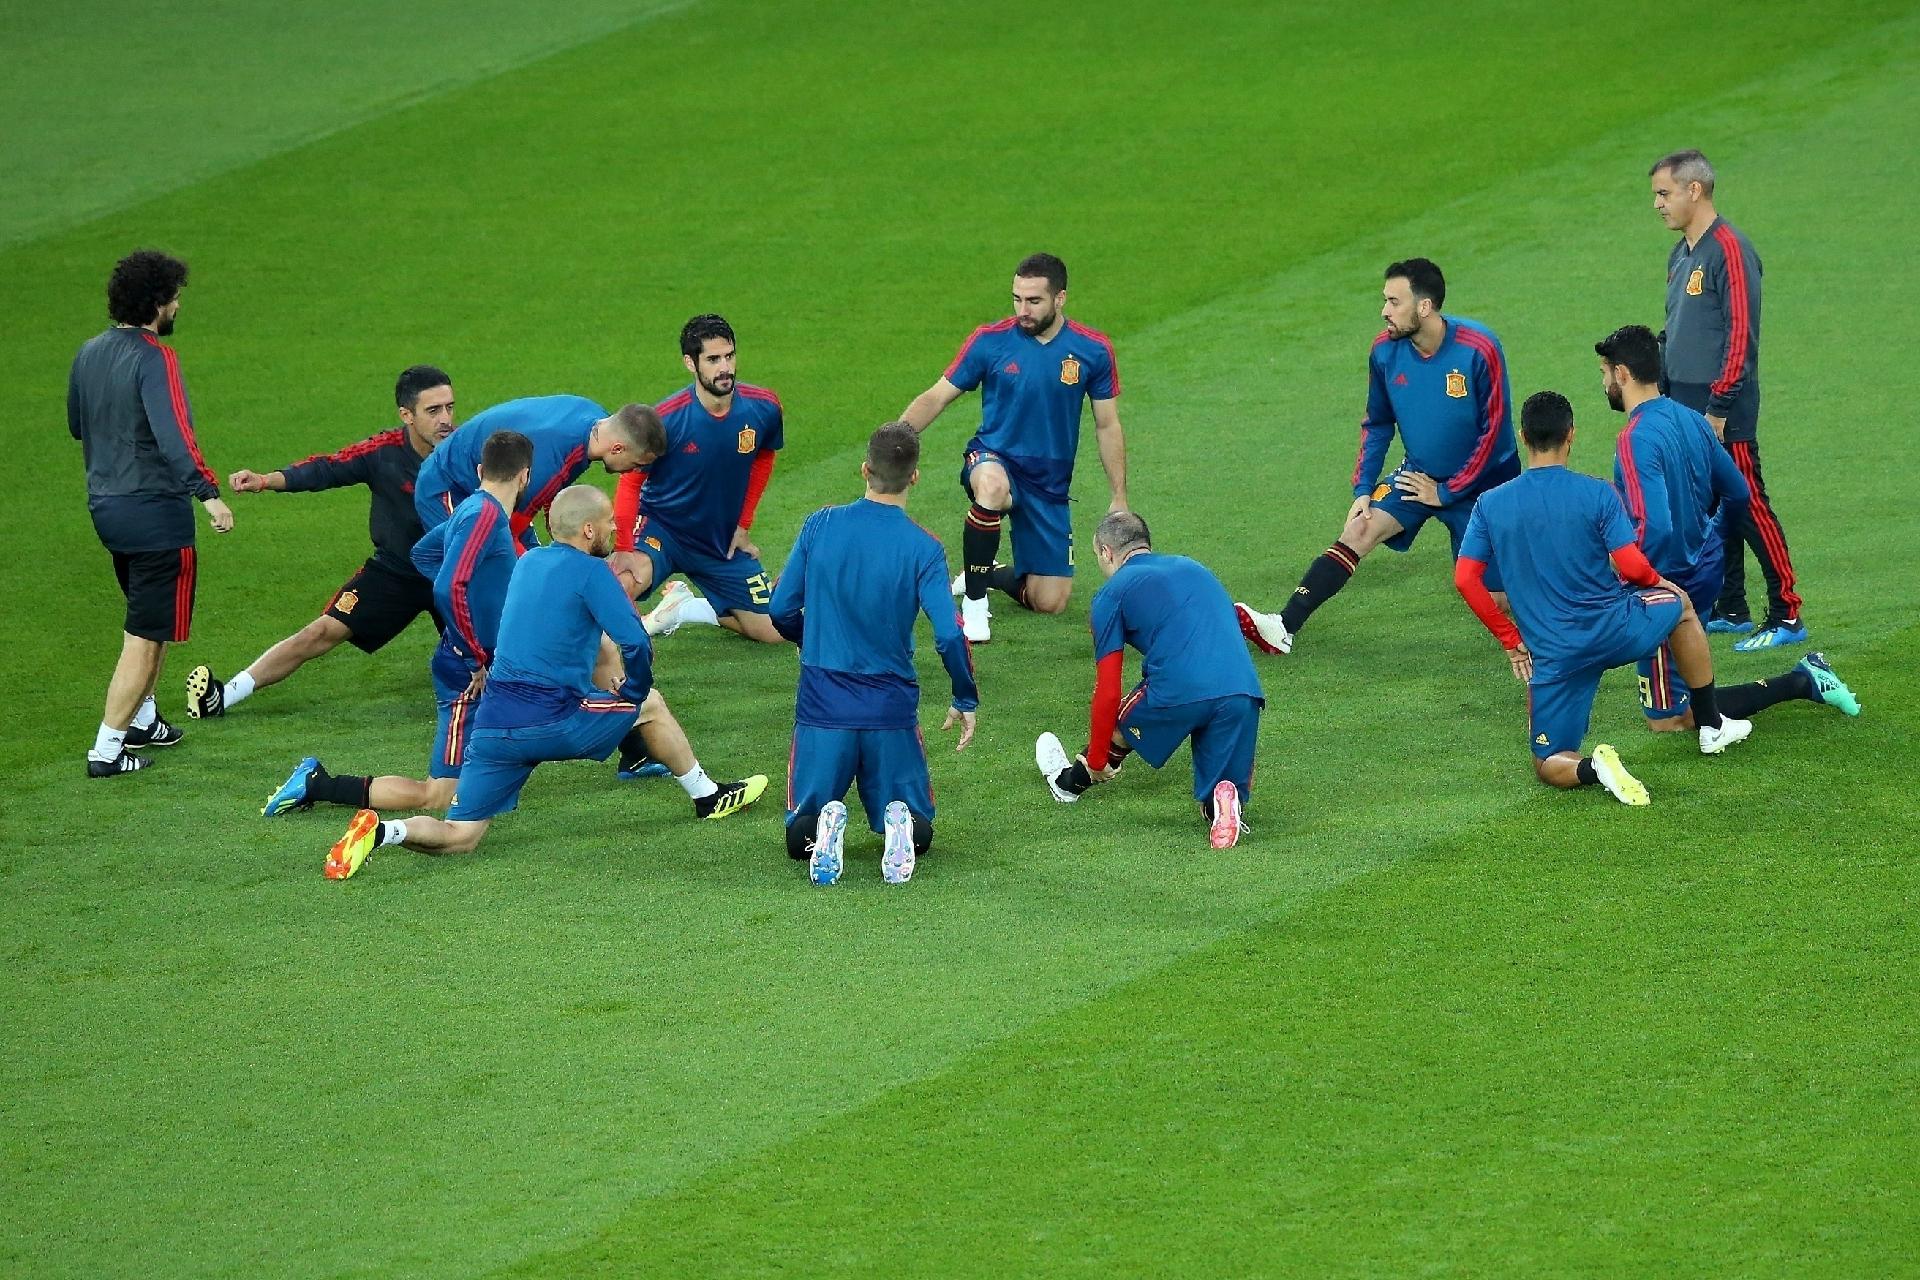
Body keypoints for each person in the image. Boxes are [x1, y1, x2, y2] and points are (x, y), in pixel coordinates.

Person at [323, 485, 766, 879]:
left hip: (494, 727)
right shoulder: (594, 573)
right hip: (552, 720)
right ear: (589, 530)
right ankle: (707, 796)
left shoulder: (528, 563)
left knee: (460, 836)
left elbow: (439, 565)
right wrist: (630, 692)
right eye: (611, 521)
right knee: (650, 703)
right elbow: (633, 641)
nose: (616, 529)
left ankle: (384, 832)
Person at [1453, 390, 1751, 805]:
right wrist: (1659, 582)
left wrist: (1509, 640)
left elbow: (1466, 578)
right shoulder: (1597, 493)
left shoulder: (1490, 504)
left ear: (1523, 436)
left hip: (1556, 653)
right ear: (1570, 434)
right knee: (1681, 608)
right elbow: (1630, 566)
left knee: (1548, 759)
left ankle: (1594, 768)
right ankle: (1709, 722)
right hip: (1617, 629)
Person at [1237, 258, 1517, 656]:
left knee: (1498, 599)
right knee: (1360, 528)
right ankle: (1283, 626)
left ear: (1424, 306)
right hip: (1418, 475)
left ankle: (1573, 610)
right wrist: (1364, 488)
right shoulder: (1385, 351)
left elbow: (1495, 432)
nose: (1384, 310)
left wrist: (1449, 490)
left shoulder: (1479, 348)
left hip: (1485, 487)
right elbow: (1378, 423)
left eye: (1393, 301)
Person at [1597, 325, 1859, 728]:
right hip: (1704, 573)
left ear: (1623, 374)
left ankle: (1803, 681)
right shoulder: (1693, 420)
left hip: (1667, 583)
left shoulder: (1635, 438)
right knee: (1687, 687)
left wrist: (1639, 576)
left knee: (1671, 717)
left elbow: (1658, 527)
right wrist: (1713, 539)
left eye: (1605, 373)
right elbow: (1738, 493)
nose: (1604, 383)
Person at [262, 430, 531, 818]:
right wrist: (472, 653)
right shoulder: (486, 516)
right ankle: (316, 784)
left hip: (486, 661)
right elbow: (447, 586)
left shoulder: (472, 508)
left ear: (478, 470)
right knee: (439, 795)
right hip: (465, 674)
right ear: (525, 476)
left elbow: (423, 553)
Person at [769, 422, 978, 886]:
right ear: (915, 477)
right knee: (921, 831)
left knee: (797, 833)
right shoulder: (924, 548)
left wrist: (807, 637)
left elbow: (780, 607)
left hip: (824, 706)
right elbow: (949, 633)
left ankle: (821, 830)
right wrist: (964, 696)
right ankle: (897, 831)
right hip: (890, 709)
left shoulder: (819, 525)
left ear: (865, 470)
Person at [184, 365, 456, 718]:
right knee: (319, 633)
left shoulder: (469, 452)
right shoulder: (382, 452)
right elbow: (327, 468)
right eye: (433, 411)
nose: (446, 419)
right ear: (406, 415)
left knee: (496, 649)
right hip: (395, 573)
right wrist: (266, 480)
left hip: (454, 572)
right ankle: (223, 696)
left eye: (449, 407)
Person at [897, 252, 1127, 642]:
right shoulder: (990, 341)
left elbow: (1107, 424)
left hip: (1049, 484)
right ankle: (973, 605)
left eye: (1034, 301)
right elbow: (936, 398)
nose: (1023, 309)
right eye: (1017, 299)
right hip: (993, 457)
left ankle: (987, 573)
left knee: (1050, 600)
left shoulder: (1092, 350)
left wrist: (1119, 496)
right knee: (992, 487)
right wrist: (893, 444)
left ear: (1060, 298)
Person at [69, 249, 234, 777]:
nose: (179, 305)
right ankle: (107, 749)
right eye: (175, 297)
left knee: (150, 620)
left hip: (107, 509)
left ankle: (142, 719)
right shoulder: (155, 357)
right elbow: (175, 436)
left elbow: (79, 424)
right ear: (158, 303)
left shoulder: (88, 353)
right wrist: (208, 494)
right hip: (155, 514)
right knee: (144, 636)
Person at [1650, 149, 1805, 650]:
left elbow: (1742, 337)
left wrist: (1718, 407)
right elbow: (1680, 331)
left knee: (1749, 502)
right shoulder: (1681, 254)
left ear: (1695, 190)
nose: (1657, 204)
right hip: (1686, 402)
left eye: (1664, 193)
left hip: (1724, 408)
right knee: (1715, 505)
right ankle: (1731, 605)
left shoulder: (1731, 250)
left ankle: (1786, 613)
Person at [1034, 512, 1263, 850]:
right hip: (1242, 689)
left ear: (1106, 552)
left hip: (1179, 688)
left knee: (1119, 731)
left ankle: (1068, 785)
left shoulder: (1112, 594)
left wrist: (1097, 758)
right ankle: (1224, 806)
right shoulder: (1195, 568)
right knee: (1219, 784)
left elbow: (1108, 690)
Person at [607, 315, 788, 643]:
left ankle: (684, 608)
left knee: (774, 631)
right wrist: (623, 548)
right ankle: (603, 665)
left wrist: (743, 524)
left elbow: (764, 455)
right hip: (661, 529)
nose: (725, 368)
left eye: (729, 356)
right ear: (690, 363)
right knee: (624, 582)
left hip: (716, 540)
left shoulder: (764, 408)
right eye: (713, 359)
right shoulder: (665, 420)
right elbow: (630, 482)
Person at [414, 395, 664, 546]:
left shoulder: (593, 418)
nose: (637, 470)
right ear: (618, 448)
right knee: (478, 578)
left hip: (496, 485)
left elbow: (553, 502)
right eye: (638, 462)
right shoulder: (546, 466)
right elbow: (504, 535)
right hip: (449, 488)